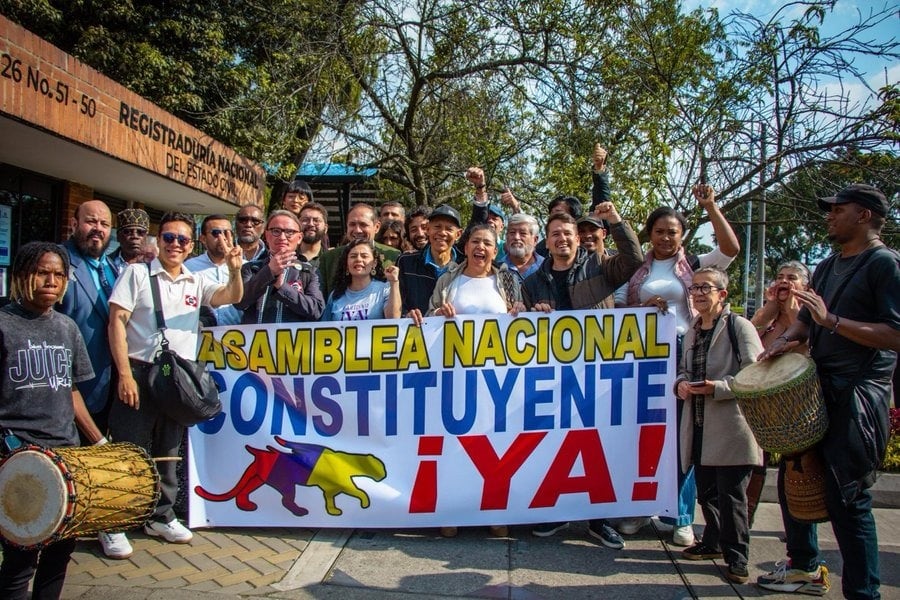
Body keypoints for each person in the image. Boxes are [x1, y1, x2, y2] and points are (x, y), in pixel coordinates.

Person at [756, 183, 899, 599]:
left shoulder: (884, 265)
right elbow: (809, 322)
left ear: (865, 215)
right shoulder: (828, 264)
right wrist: (787, 341)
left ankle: (863, 592)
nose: (829, 216)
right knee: (796, 481)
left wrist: (832, 320)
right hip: (819, 388)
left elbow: (894, 333)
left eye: (838, 209)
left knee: (847, 499)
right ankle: (803, 566)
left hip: (859, 395)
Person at [106, 211, 244, 550]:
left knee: (169, 450)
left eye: (182, 239)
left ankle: (161, 516)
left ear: (191, 244)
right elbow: (116, 323)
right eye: (169, 238)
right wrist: (124, 374)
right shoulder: (136, 274)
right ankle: (113, 521)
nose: (175, 245)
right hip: (139, 370)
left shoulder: (194, 280)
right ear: (158, 240)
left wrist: (235, 269)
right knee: (129, 449)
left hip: (176, 376)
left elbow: (232, 296)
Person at [614, 183, 740, 545]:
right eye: (658, 231)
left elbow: (731, 249)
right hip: (644, 357)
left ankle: (680, 516)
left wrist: (712, 207)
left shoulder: (697, 265)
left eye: (672, 231)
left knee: (682, 437)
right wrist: (643, 308)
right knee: (644, 434)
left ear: (683, 235)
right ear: (649, 235)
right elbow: (618, 308)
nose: (665, 237)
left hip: (686, 355)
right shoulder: (637, 270)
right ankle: (640, 507)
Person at [521, 204, 642, 548]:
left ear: (579, 239)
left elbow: (634, 261)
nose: (562, 239)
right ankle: (557, 513)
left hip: (596, 372)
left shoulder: (600, 266)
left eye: (568, 234)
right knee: (555, 445)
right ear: (546, 240)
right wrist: (533, 313)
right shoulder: (534, 281)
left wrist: (617, 221)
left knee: (595, 446)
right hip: (552, 376)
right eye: (555, 234)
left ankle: (598, 520)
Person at [0, 242, 106, 600]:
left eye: (59, 274)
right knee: (20, 560)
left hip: (66, 457)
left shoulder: (67, 327)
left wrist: (99, 443)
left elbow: (71, 390)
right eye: (42, 272)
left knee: (60, 554)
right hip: (18, 457)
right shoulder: (3, 324)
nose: (52, 280)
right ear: (21, 276)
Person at [420, 224, 525, 539]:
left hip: (497, 380)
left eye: (489, 243)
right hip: (455, 378)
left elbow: (521, 319)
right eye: (476, 241)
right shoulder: (448, 280)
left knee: (495, 445)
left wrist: (520, 311)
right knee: (455, 446)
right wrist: (438, 312)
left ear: (496, 250)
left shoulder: (506, 280)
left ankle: (494, 511)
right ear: (464, 247)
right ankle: (452, 512)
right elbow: (428, 320)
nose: (481, 247)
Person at [674, 267, 764, 585]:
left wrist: (720, 388)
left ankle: (737, 558)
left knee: (732, 496)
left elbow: (755, 375)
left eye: (706, 288)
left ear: (722, 294)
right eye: (694, 288)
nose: (698, 293)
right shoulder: (693, 331)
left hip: (731, 427)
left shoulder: (740, 327)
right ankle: (712, 542)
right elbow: (684, 371)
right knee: (707, 492)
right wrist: (681, 385)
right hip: (698, 424)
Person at [237, 210, 324, 324]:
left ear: (299, 238)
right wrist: (269, 272)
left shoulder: (309, 272)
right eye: (276, 231)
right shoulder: (250, 268)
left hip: (293, 340)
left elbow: (316, 310)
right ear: (267, 235)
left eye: (289, 232)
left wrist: (282, 287)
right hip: (255, 339)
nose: (282, 237)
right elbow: (240, 302)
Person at [317, 203, 401, 300]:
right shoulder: (329, 258)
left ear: (377, 227)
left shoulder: (393, 255)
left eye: (363, 225)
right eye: (352, 224)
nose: (357, 230)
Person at [396, 204, 463, 321]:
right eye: (437, 227)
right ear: (428, 229)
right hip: (415, 334)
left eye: (449, 229)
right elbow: (397, 302)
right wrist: (406, 315)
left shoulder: (466, 264)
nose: (442, 233)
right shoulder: (406, 262)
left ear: (458, 234)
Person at [185, 214, 244, 326]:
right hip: (200, 336)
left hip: (239, 338)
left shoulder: (246, 266)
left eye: (228, 233)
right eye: (216, 233)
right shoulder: (189, 267)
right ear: (202, 239)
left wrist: (235, 270)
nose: (223, 238)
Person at [322, 239, 401, 321]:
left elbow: (394, 319)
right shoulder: (335, 295)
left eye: (364, 256)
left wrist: (394, 282)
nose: (358, 259)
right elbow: (323, 328)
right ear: (346, 264)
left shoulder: (385, 289)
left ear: (374, 263)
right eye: (353, 256)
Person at [503, 212, 544, 282]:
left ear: (535, 240)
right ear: (506, 237)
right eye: (512, 232)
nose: (516, 237)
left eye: (523, 233)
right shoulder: (496, 268)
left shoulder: (546, 267)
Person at [109, 208, 150, 275]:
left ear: (146, 238)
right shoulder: (105, 264)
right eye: (128, 232)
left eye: (140, 232)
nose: (135, 236)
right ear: (118, 237)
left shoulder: (154, 266)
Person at [298, 202, 330, 268]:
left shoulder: (332, 259)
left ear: (325, 228)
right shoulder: (287, 257)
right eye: (305, 220)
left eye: (316, 220)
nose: (311, 224)